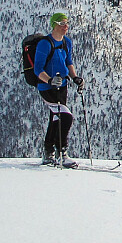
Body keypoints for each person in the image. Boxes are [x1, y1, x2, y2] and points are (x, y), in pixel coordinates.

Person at [35, 12, 84, 167]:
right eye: (62, 24)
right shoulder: (45, 44)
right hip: (47, 88)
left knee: (56, 119)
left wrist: (75, 77)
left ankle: (48, 153)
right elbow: (38, 69)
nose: (66, 27)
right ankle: (62, 153)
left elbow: (68, 61)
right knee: (66, 117)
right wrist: (49, 80)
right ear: (54, 25)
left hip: (62, 87)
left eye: (67, 23)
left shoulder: (66, 42)